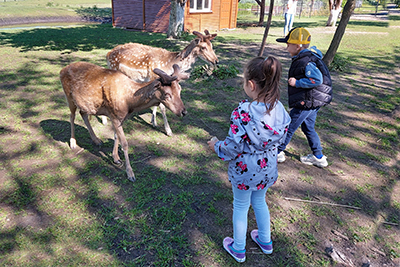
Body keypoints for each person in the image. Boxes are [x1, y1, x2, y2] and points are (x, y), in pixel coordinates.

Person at [207, 56, 291, 263]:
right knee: (260, 201)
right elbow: (282, 135)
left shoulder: (242, 113)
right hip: (267, 168)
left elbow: (233, 147)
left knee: (241, 206)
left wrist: (216, 145)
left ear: (251, 85)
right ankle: (265, 241)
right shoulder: (280, 109)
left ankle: (238, 247)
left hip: (244, 171)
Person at [276, 27, 332, 168]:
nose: (287, 47)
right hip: (313, 101)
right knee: (308, 128)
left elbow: (317, 79)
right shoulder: (305, 57)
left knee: (289, 126)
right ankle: (318, 157)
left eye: (288, 45)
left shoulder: (305, 61)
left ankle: (277, 152)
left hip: (307, 101)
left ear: (297, 46)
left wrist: (297, 82)